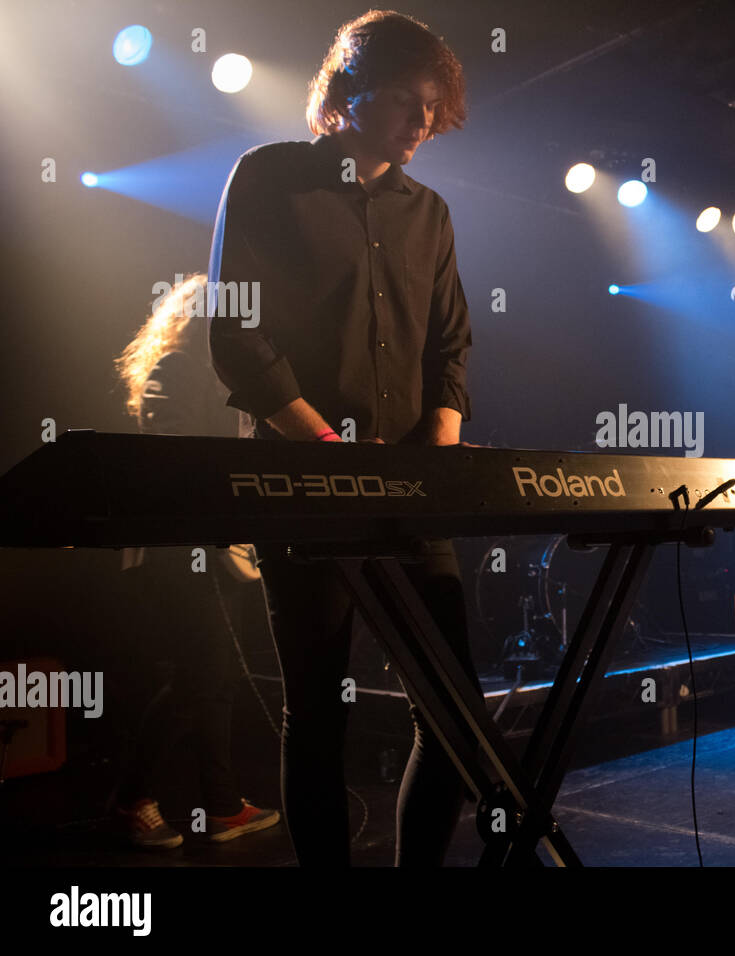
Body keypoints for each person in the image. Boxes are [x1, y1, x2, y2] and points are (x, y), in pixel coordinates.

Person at [207, 10, 476, 866]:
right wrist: (321, 442)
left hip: (411, 489)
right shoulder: (267, 177)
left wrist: (441, 434)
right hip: (302, 483)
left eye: (434, 110)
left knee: (455, 706)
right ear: (352, 92)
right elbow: (236, 332)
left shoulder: (428, 211)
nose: (423, 123)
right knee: (318, 704)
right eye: (409, 101)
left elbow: (452, 344)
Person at [113, 272, 280, 847]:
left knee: (213, 679)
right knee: (201, 678)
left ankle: (220, 804)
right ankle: (132, 799)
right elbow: (172, 455)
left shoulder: (228, 377)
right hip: (178, 549)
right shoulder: (178, 368)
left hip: (218, 548)